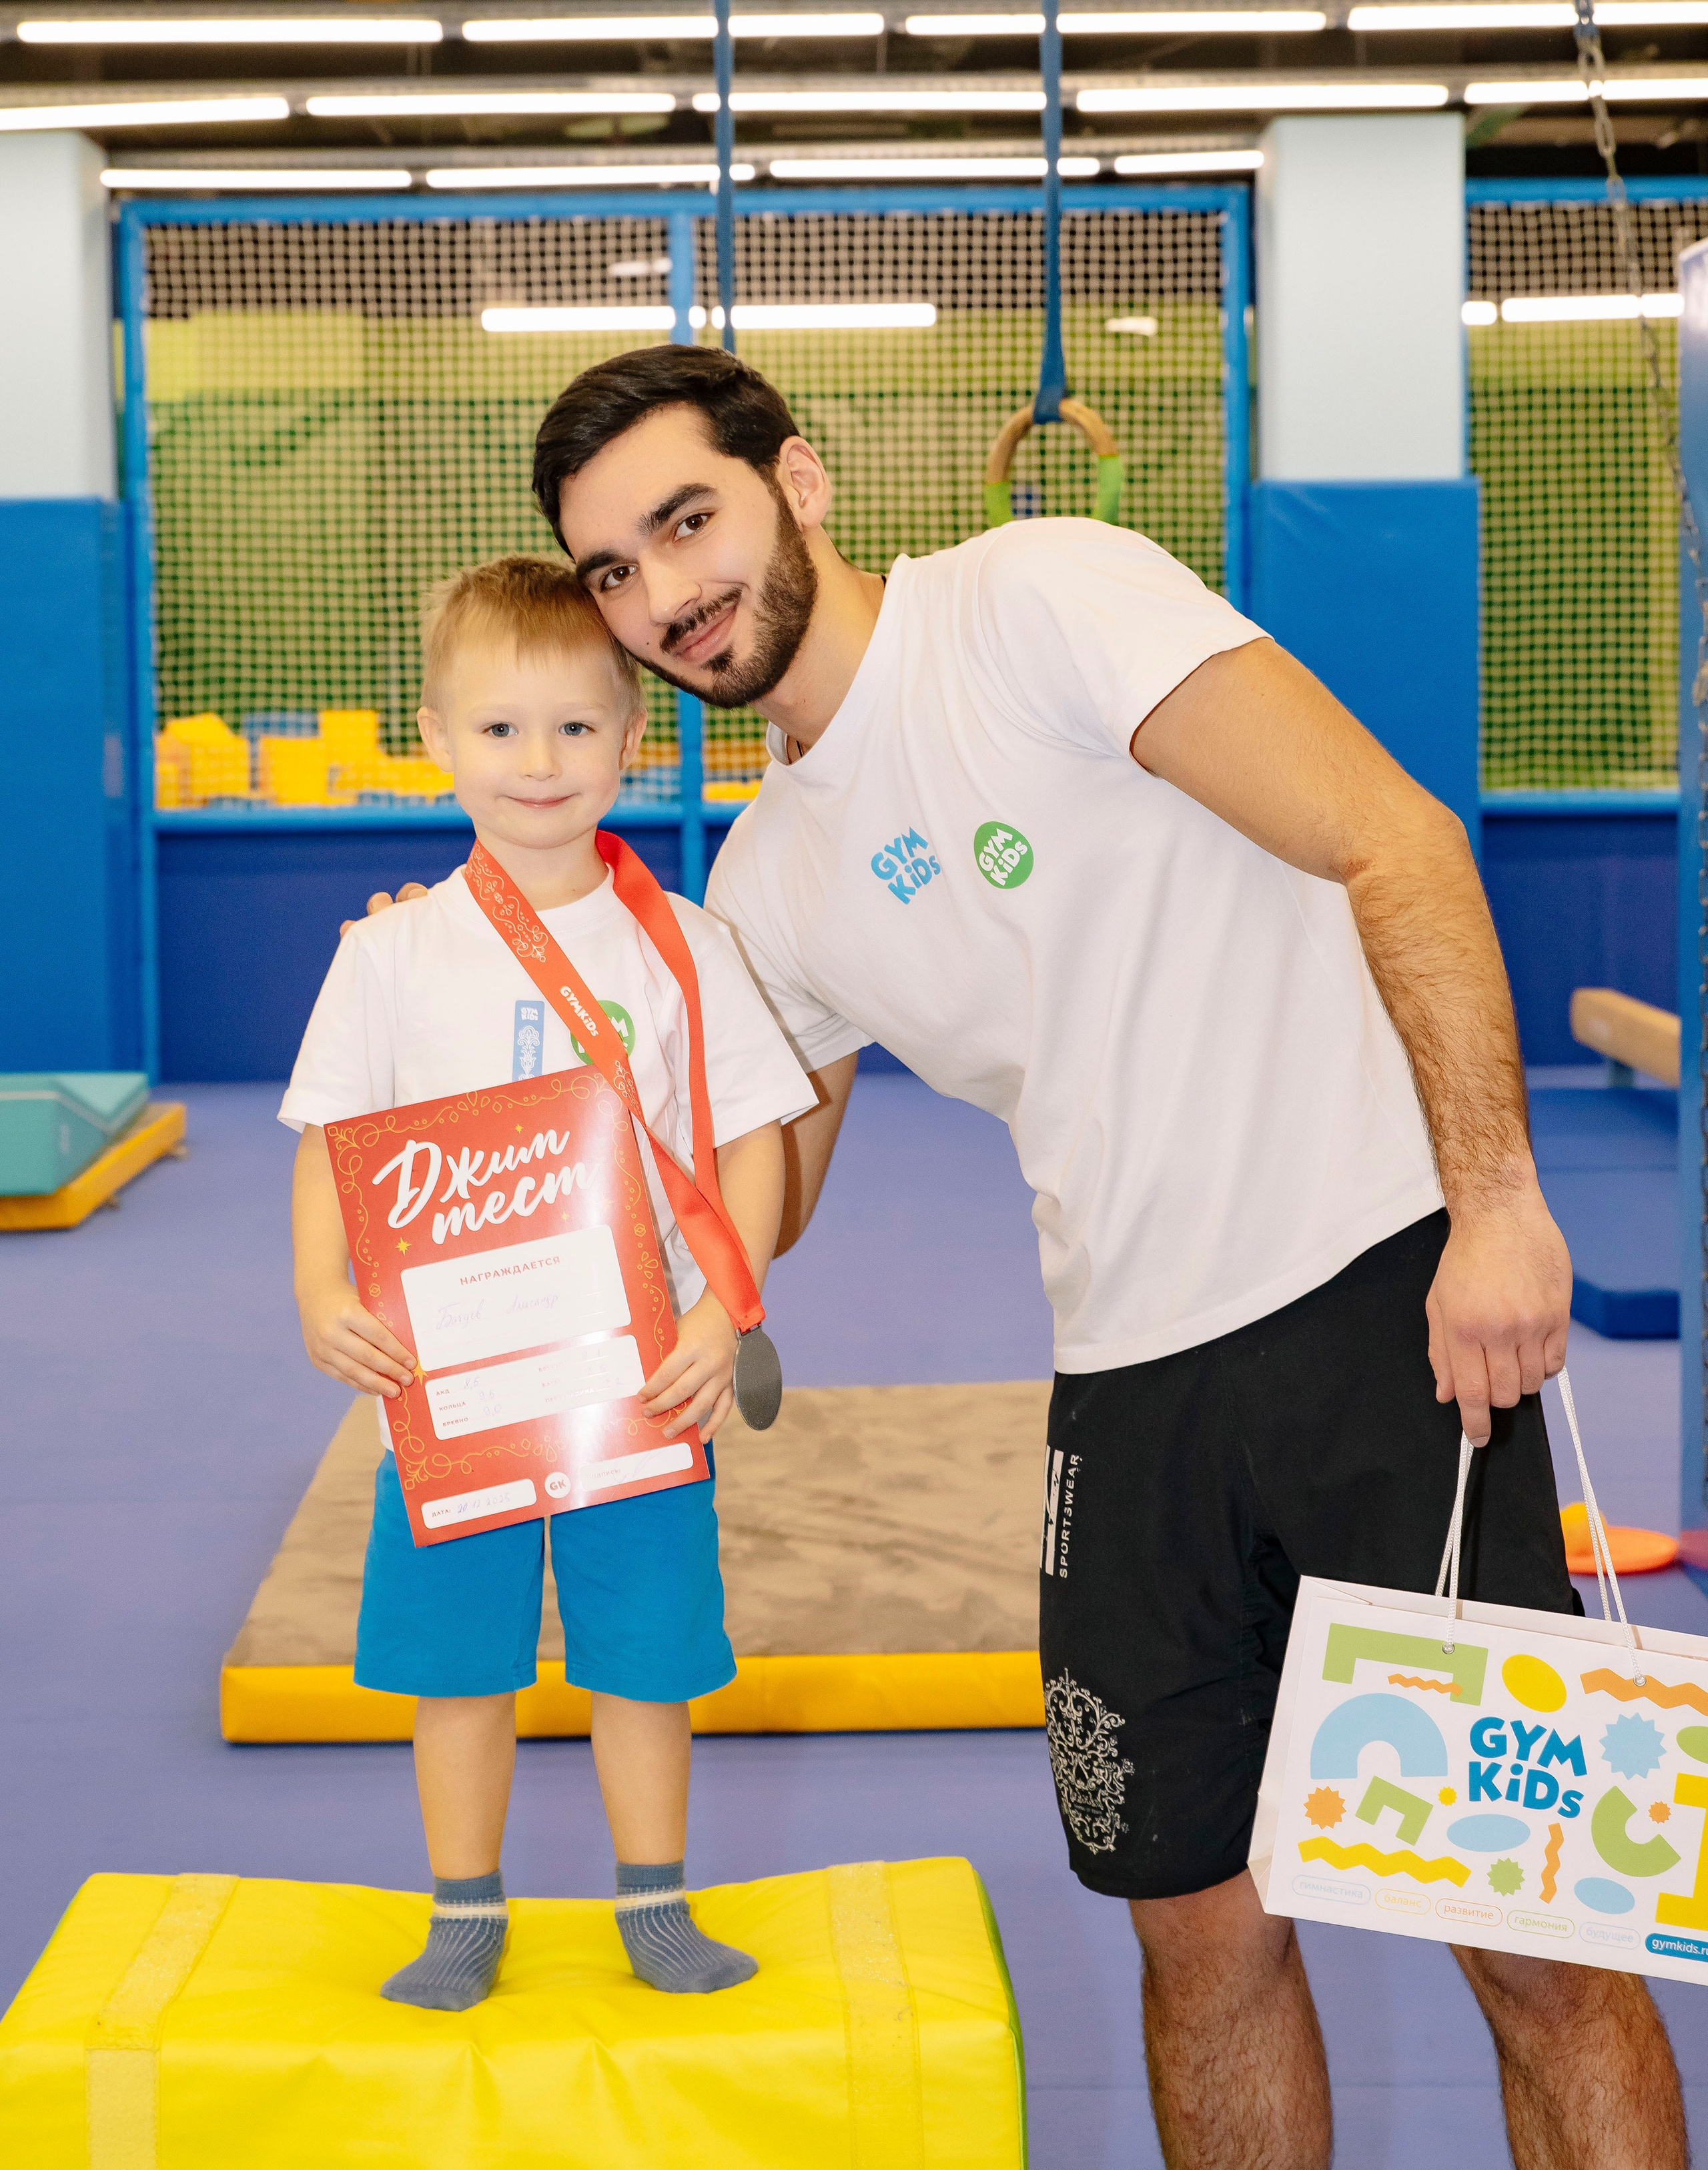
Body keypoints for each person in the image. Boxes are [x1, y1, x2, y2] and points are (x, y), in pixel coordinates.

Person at [361, 348, 1686, 2168]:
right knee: (1196, 1941)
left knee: (1527, 1940)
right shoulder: (765, 879)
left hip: (1381, 1320)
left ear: (798, 482)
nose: (664, 594)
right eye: (612, 570)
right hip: (1129, 1398)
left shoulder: (1040, 598)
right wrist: (461, 986)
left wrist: (1498, 1198)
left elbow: (1395, 837)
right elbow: (756, 1184)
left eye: (688, 521)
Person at [286, 554, 814, 2011]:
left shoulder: (686, 949)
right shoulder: (388, 955)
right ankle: (464, 1906)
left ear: (634, 737)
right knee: (458, 1660)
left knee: (644, 1657)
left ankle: (652, 1899)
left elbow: (753, 1145)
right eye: (502, 729)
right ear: (437, 736)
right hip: (446, 1384)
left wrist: (725, 1310)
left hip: (635, 1374)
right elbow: (337, 1138)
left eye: (576, 728)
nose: (539, 763)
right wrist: (319, 1289)